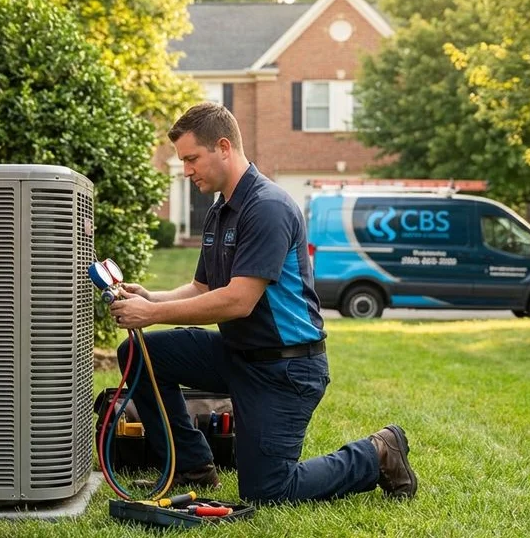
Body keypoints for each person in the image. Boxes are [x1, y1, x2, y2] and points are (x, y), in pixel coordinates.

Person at [109, 102, 418, 503]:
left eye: (191, 159)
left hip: (285, 368)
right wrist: (153, 297)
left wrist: (152, 314)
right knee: (140, 353)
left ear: (223, 147)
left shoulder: (267, 207)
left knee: (267, 490)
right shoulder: (221, 210)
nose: (186, 171)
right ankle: (192, 466)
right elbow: (203, 288)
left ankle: (378, 452)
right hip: (239, 354)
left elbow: (239, 300)